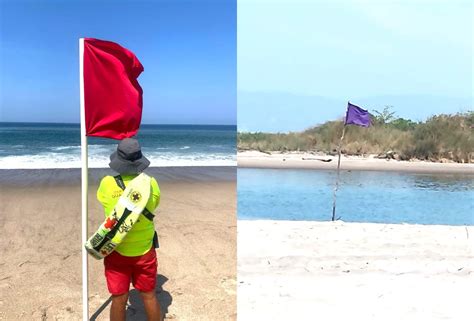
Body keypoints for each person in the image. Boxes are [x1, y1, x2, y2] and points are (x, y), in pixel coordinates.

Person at [97, 138, 162, 321]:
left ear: (118, 160)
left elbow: (103, 201)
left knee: (119, 298)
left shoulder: (107, 183)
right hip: (145, 250)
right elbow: (154, 204)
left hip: (116, 248)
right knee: (149, 295)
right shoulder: (151, 183)